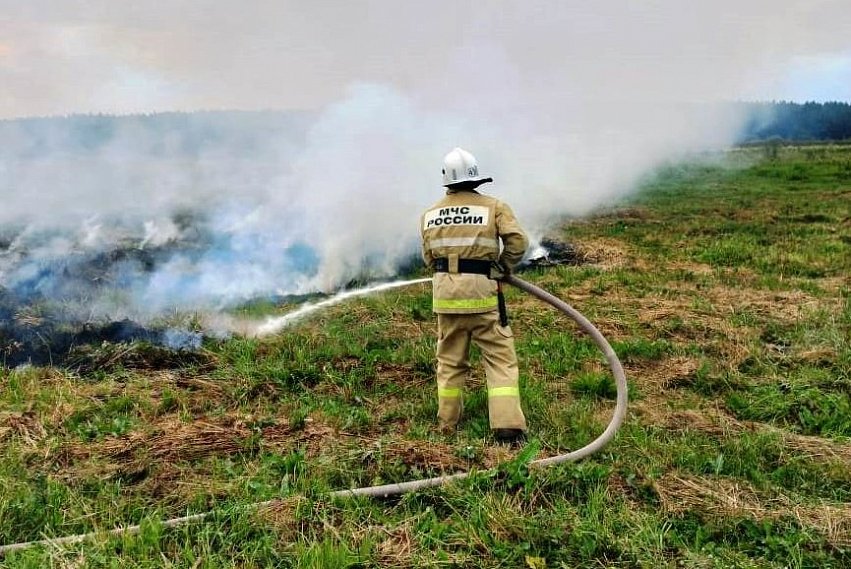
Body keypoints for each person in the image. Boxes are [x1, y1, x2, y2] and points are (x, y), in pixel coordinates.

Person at [420, 147, 529, 443]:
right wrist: (502, 268)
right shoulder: (494, 207)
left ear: (447, 180)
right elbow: (518, 241)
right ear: (476, 178)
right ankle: (507, 428)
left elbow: (428, 258)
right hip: (482, 292)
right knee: (499, 358)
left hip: (446, 296)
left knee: (450, 361)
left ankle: (446, 424)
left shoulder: (430, 214)